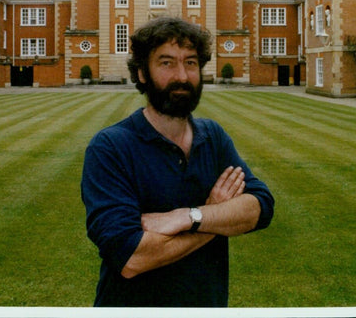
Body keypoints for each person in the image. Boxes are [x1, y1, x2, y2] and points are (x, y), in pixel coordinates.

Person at [80, 17, 274, 307]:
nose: (182, 76)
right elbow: (132, 257)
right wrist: (213, 215)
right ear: (143, 73)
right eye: (167, 63)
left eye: (191, 63)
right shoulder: (110, 147)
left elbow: (260, 207)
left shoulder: (213, 137)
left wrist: (186, 217)